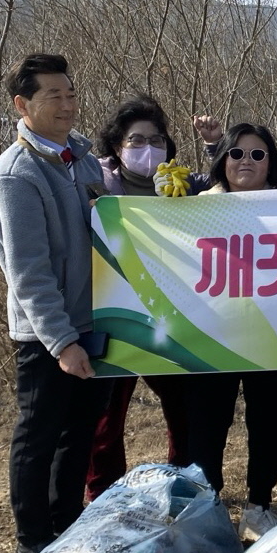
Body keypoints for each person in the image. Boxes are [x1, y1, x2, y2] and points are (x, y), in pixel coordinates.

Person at [0, 54, 112, 553]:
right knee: (39, 434)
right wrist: (61, 342)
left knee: (78, 433)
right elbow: (29, 272)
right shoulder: (17, 175)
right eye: (52, 95)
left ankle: (67, 525)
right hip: (47, 335)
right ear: (23, 104)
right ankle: (32, 538)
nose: (66, 104)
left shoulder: (79, 158)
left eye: (70, 93)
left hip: (90, 320)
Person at [184, 123, 277, 540]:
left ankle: (259, 506)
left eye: (257, 154)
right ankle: (208, 509)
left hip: (275, 334)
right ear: (222, 161)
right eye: (236, 154)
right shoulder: (193, 209)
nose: (245, 162)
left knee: (269, 423)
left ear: (272, 163)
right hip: (212, 336)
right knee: (207, 424)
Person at [85, 96, 190, 500]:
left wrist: (217, 148)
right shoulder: (92, 183)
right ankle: (103, 496)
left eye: (156, 139)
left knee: (183, 410)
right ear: (117, 146)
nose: (148, 147)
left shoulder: (181, 186)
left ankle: (183, 485)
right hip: (113, 317)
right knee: (107, 418)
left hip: (172, 318)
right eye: (137, 139)